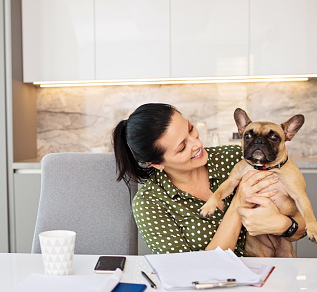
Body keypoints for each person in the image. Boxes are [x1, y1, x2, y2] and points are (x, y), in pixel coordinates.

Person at [112, 103, 306, 256]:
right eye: (182, 147)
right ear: (156, 164)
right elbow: (187, 271)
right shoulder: (150, 203)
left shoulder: (237, 159)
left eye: (190, 129)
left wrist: (284, 226)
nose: (196, 143)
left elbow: (302, 228)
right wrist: (239, 201)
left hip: (271, 278)